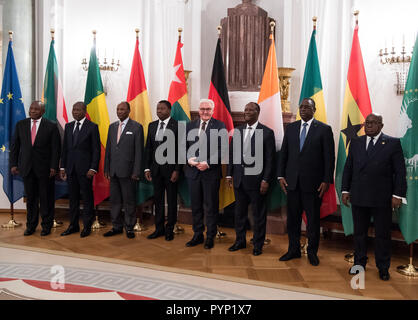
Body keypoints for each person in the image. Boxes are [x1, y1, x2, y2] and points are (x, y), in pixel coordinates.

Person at [342, 113, 406, 281]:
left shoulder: (392, 143)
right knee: (360, 233)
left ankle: (383, 267)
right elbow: (348, 168)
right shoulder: (356, 142)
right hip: (359, 195)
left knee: (382, 235)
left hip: (382, 198)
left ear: (381, 125)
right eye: (367, 122)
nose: (369, 125)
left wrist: (398, 194)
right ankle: (359, 264)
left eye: (373, 122)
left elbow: (400, 172)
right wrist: (345, 190)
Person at [277, 98, 335, 266]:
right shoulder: (292, 128)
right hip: (292, 184)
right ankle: (293, 250)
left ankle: (312, 252)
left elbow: (329, 158)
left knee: (312, 221)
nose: (303, 109)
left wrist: (326, 180)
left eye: (307, 107)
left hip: (314, 184)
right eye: (301, 107)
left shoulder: (324, 130)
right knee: (293, 219)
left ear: (314, 110)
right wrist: (280, 175)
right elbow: (284, 154)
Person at [226, 102, 275, 256]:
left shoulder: (267, 132)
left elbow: (270, 159)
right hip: (239, 180)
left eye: (250, 110)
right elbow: (232, 154)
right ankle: (239, 241)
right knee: (239, 214)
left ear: (257, 112)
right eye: (245, 109)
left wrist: (266, 180)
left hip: (257, 182)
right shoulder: (238, 131)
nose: (246, 112)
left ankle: (257, 244)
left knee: (258, 215)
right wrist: (229, 174)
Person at [10, 101, 61, 236]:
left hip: (45, 169)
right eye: (31, 108)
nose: (32, 111)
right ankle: (31, 226)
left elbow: (56, 149)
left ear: (42, 111)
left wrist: (53, 167)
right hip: (26, 168)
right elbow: (15, 146)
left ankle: (46, 226)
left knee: (46, 199)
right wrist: (13, 164)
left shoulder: (51, 126)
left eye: (36, 109)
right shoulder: (21, 125)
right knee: (31, 199)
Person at [184, 99, 226, 249]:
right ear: (198, 110)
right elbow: (182, 147)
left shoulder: (220, 126)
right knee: (195, 206)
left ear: (213, 110)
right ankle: (197, 235)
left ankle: (210, 236)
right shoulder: (190, 126)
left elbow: (223, 149)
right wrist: (188, 160)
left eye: (208, 109)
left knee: (211, 207)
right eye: (202, 109)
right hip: (193, 173)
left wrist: (208, 163)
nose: (205, 112)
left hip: (211, 173)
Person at [103, 101, 144, 239]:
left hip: (129, 172)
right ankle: (116, 226)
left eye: (122, 109)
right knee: (114, 200)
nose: (119, 111)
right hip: (113, 171)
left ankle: (129, 227)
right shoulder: (112, 127)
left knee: (129, 201)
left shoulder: (137, 127)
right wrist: (106, 168)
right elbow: (109, 149)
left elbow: (139, 152)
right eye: (117, 109)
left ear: (128, 111)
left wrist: (136, 171)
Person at [60, 102, 100, 238]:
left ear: (84, 111)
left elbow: (96, 150)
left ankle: (87, 226)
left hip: (86, 170)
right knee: (73, 199)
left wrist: (93, 168)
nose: (75, 112)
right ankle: (73, 225)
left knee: (87, 199)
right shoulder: (68, 126)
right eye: (73, 109)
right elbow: (65, 149)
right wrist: (62, 167)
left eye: (78, 109)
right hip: (71, 169)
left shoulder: (92, 127)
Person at [144, 100, 180, 241]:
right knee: (157, 201)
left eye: (162, 108)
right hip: (156, 170)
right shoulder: (152, 126)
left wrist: (177, 170)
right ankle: (158, 229)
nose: (159, 111)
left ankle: (169, 229)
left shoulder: (177, 126)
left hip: (171, 171)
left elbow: (180, 150)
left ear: (169, 110)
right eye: (158, 108)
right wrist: (147, 167)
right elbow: (148, 148)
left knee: (171, 201)